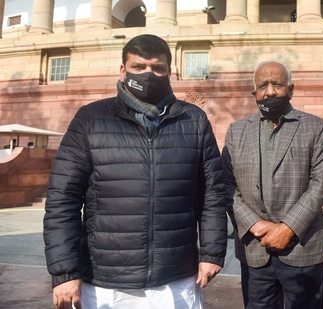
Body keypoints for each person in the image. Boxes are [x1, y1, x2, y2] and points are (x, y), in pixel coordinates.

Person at [43, 34, 227, 309]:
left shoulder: (194, 120)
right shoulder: (91, 119)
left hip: (176, 278)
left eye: (158, 68)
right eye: (139, 67)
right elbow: (63, 199)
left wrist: (211, 253)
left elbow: (212, 193)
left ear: (169, 72)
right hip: (105, 282)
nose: (148, 74)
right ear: (123, 70)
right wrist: (64, 272)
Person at [222, 61, 323, 308]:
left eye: (277, 84)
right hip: (255, 250)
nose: (270, 91)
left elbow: (321, 183)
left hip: (302, 249)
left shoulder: (313, 126)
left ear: (291, 90)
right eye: (263, 85)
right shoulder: (236, 131)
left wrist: (288, 228)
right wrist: (256, 225)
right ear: (254, 93)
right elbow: (226, 186)